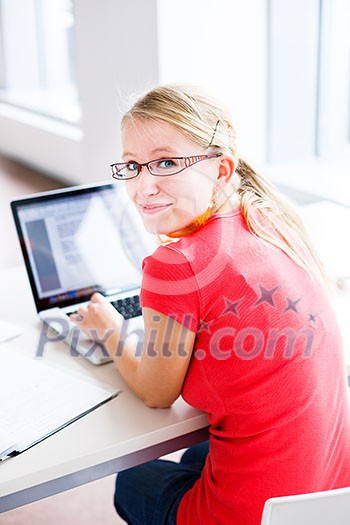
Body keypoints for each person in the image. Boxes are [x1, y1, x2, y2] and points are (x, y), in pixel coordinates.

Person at [71, 84, 350, 525]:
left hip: (251, 515)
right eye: (131, 166)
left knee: (132, 478)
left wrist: (108, 326)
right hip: (329, 493)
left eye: (165, 163)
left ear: (221, 171)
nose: (143, 186)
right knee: (194, 455)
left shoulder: (176, 264)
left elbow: (156, 393)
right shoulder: (267, 216)